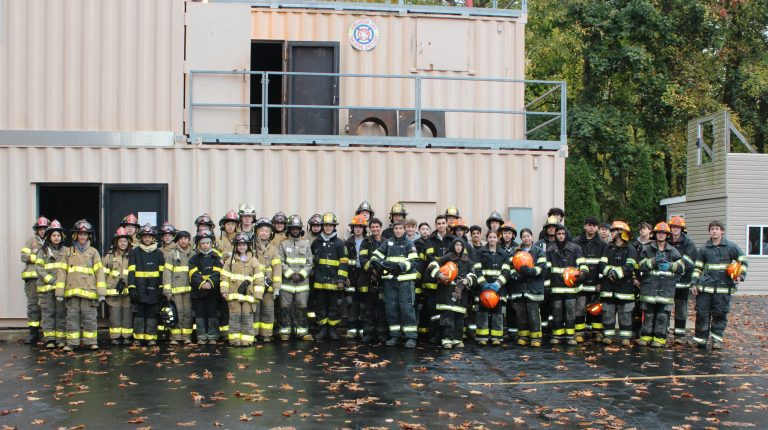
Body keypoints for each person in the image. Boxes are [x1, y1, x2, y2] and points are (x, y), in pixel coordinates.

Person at [689, 221, 748, 349]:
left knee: (720, 314)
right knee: (702, 314)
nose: (714, 231)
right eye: (712, 229)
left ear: (722, 231)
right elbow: (698, 268)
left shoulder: (731, 247)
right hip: (705, 288)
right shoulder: (704, 249)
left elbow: (743, 261)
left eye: (717, 229)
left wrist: (740, 275)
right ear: (709, 232)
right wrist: (694, 283)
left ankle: (717, 340)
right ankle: (700, 340)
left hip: (723, 288)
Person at [58, 220, 106, 351]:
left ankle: (91, 342)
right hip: (72, 292)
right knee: (72, 318)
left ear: (89, 236)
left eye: (85, 234)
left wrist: (101, 293)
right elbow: (62, 273)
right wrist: (59, 292)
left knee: (89, 317)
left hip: (89, 292)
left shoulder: (93, 252)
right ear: (75, 236)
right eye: (80, 234)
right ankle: (72, 343)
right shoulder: (68, 252)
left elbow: (100, 273)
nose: (82, 237)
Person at [369, 221, 420, 348]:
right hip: (390, 281)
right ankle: (395, 336)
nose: (398, 231)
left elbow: (414, 261)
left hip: (405, 282)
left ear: (404, 230)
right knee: (391, 309)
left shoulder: (409, 243)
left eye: (400, 228)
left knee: (407, 308)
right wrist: (375, 262)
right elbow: (376, 254)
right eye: (396, 228)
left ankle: (411, 337)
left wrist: (401, 267)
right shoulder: (388, 242)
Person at [637, 222, 684, 347]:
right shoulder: (647, 249)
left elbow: (682, 267)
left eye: (664, 233)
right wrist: (653, 261)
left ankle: (659, 339)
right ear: (655, 234)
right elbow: (640, 265)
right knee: (648, 314)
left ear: (667, 235)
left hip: (666, 289)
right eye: (659, 232)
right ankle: (646, 337)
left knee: (662, 315)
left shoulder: (673, 251)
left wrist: (671, 266)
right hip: (649, 289)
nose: (661, 235)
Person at [429, 238, 475, 349]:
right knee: (447, 317)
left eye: (460, 245)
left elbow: (473, 274)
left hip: (461, 293)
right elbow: (432, 265)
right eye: (456, 245)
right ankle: (447, 340)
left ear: (463, 247)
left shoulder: (467, 260)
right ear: (453, 246)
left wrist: (468, 281)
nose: (458, 247)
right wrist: (439, 275)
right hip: (447, 292)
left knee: (459, 318)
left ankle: (458, 340)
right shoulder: (447, 257)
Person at [546, 224, 587, 345]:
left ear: (566, 234)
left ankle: (570, 336)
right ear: (555, 235)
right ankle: (557, 336)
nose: (561, 236)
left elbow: (582, 263)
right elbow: (547, 269)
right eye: (558, 234)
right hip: (556, 287)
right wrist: (547, 286)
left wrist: (583, 273)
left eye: (563, 234)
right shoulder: (549, 249)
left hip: (571, 287)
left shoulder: (576, 248)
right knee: (557, 310)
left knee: (570, 310)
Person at [598, 221, 638, 346]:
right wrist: (609, 273)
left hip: (625, 288)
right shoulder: (607, 247)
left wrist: (616, 274)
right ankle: (608, 336)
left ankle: (625, 338)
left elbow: (630, 266)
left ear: (621, 233)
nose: (611, 233)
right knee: (608, 312)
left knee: (625, 314)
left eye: (614, 231)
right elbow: (602, 264)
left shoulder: (630, 249)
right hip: (608, 287)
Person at [311, 212, 349, 340]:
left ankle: (332, 330)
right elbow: (311, 260)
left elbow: (344, 263)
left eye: (330, 225)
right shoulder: (317, 242)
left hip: (334, 282)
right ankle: (322, 329)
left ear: (334, 226)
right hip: (319, 282)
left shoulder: (340, 243)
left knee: (334, 307)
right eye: (326, 225)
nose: (328, 227)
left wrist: (341, 279)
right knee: (320, 306)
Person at [221, 233, 263, 347]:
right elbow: (224, 277)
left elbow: (259, 279)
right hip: (233, 296)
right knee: (234, 318)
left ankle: (247, 340)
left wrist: (258, 295)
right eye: (239, 245)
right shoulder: (230, 261)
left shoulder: (254, 261)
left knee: (247, 318)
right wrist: (224, 290)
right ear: (235, 246)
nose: (241, 247)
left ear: (248, 246)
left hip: (248, 297)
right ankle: (235, 340)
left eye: (244, 245)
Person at [508, 228, 548, 347]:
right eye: (524, 236)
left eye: (528, 236)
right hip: (519, 288)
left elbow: (543, 268)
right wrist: (515, 275)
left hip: (533, 288)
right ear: (521, 238)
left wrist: (530, 271)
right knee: (521, 313)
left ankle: (536, 338)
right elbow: (510, 267)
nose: (526, 238)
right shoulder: (515, 251)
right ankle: (523, 336)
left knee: (533, 313)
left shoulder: (539, 251)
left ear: (532, 236)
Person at [127, 224, 165, 347]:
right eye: (145, 237)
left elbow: (161, 272)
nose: (147, 239)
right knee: (139, 314)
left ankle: (151, 338)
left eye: (149, 237)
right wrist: (132, 287)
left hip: (154, 289)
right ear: (141, 238)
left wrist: (161, 287)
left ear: (153, 238)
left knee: (152, 314)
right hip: (139, 288)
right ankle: (138, 338)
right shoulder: (135, 252)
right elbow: (131, 271)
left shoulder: (159, 253)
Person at [277, 215, 314, 341]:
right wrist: (291, 274)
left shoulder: (306, 244)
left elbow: (310, 262)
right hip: (287, 282)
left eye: (297, 228)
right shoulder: (283, 244)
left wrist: (301, 274)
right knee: (285, 307)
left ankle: (302, 332)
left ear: (300, 229)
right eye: (292, 228)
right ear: (289, 229)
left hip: (302, 283)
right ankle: (285, 332)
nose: (295, 230)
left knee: (302, 307)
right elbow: (280, 261)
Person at [421, 215, 457, 342]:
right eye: (439, 223)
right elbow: (429, 259)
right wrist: (439, 273)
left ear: (447, 224)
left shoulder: (453, 240)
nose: (441, 226)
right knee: (433, 309)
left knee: (446, 309)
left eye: (443, 223)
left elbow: (455, 257)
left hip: (448, 282)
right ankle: (435, 334)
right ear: (436, 225)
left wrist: (448, 274)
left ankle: (446, 335)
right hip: (433, 281)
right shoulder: (430, 241)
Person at [572, 216, 607, 343]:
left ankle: (597, 332)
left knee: (596, 308)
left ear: (597, 228)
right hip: (581, 282)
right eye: (589, 224)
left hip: (595, 283)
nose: (591, 227)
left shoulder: (603, 244)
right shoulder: (576, 242)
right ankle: (579, 332)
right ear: (585, 226)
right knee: (580, 307)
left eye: (593, 225)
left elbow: (603, 265)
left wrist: (600, 282)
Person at [473, 230, 511, 346]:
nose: (492, 239)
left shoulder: (503, 254)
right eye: (490, 237)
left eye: (495, 237)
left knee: (497, 314)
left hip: (498, 289)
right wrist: (483, 284)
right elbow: (477, 270)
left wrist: (498, 284)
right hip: (483, 288)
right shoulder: (480, 252)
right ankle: (482, 337)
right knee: (482, 313)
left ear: (498, 239)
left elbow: (506, 272)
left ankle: (496, 337)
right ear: (487, 238)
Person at [34, 220, 67, 349]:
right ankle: (49, 339)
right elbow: (39, 269)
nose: (56, 237)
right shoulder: (43, 251)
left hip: (61, 290)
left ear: (62, 237)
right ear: (49, 237)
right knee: (48, 314)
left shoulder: (66, 250)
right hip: (46, 289)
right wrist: (52, 280)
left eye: (58, 235)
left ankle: (60, 339)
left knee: (61, 314)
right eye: (53, 235)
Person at [189, 230, 224, 345]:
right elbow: (192, 274)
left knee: (212, 313)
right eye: (203, 243)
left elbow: (218, 272)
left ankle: (213, 336)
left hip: (213, 291)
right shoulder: (194, 258)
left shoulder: (217, 257)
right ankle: (201, 336)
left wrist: (209, 283)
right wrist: (202, 284)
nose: (205, 245)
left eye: (207, 243)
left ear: (211, 243)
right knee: (200, 314)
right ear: (199, 244)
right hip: (198, 291)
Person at [668, 216, 697, 344]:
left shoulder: (688, 243)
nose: (675, 229)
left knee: (681, 308)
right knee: (666, 307)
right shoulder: (667, 240)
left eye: (677, 227)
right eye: (673, 226)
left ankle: (679, 335)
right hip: (667, 281)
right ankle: (664, 331)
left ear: (682, 229)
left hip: (682, 281)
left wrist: (673, 266)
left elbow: (689, 261)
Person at [358, 218, 388, 343]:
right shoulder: (365, 242)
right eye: (373, 227)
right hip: (368, 280)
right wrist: (373, 270)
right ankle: (368, 333)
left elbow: (389, 259)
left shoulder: (387, 242)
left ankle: (381, 334)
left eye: (377, 227)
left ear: (380, 227)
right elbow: (363, 260)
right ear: (370, 229)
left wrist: (381, 271)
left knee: (382, 309)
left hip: (383, 281)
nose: (375, 229)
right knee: (368, 309)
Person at [163, 230, 195, 345]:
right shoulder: (171, 254)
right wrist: (167, 290)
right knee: (177, 313)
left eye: (186, 238)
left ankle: (186, 336)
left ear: (189, 240)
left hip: (189, 290)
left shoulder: (193, 254)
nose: (183, 240)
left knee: (187, 313)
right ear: (177, 240)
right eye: (181, 238)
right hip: (175, 290)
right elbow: (167, 272)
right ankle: (175, 337)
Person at [21, 216, 50, 344]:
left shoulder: (53, 241)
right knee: (33, 306)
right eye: (40, 228)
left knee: (47, 306)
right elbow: (23, 256)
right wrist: (40, 258)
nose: (42, 231)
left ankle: (47, 334)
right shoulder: (30, 242)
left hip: (46, 279)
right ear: (37, 230)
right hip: (32, 279)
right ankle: (33, 333)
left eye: (45, 228)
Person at [253, 217, 282, 342]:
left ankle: (266, 335)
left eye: (267, 231)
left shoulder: (273, 249)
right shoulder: (251, 247)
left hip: (269, 286)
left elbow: (277, 268)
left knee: (268, 310)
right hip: (254, 285)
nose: (264, 233)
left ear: (270, 233)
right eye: (262, 230)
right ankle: (253, 334)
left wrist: (276, 287)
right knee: (255, 310)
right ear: (257, 232)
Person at [103, 227, 133, 346]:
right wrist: (104, 288)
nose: (123, 243)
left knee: (127, 314)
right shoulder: (109, 255)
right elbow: (103, 273)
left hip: (128, 291)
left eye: (125, 241)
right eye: (120, 241)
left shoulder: (132, 254)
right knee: (115, 314)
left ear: (128, 242)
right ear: (116, 242)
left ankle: (126, 336)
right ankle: (115, 337)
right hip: (113, 290)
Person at [343, 214, 368, 339]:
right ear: (352, 228)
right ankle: (351, 330)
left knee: (364, 303)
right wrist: (345, 276)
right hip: (351, 276)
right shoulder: (347, 243)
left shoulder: (368, 242)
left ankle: (362, 329)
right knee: (352, 303)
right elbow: (344, 261)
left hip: (364, 275)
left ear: (364, 228)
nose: (358, 229)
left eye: (360, 227)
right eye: (355, 227)